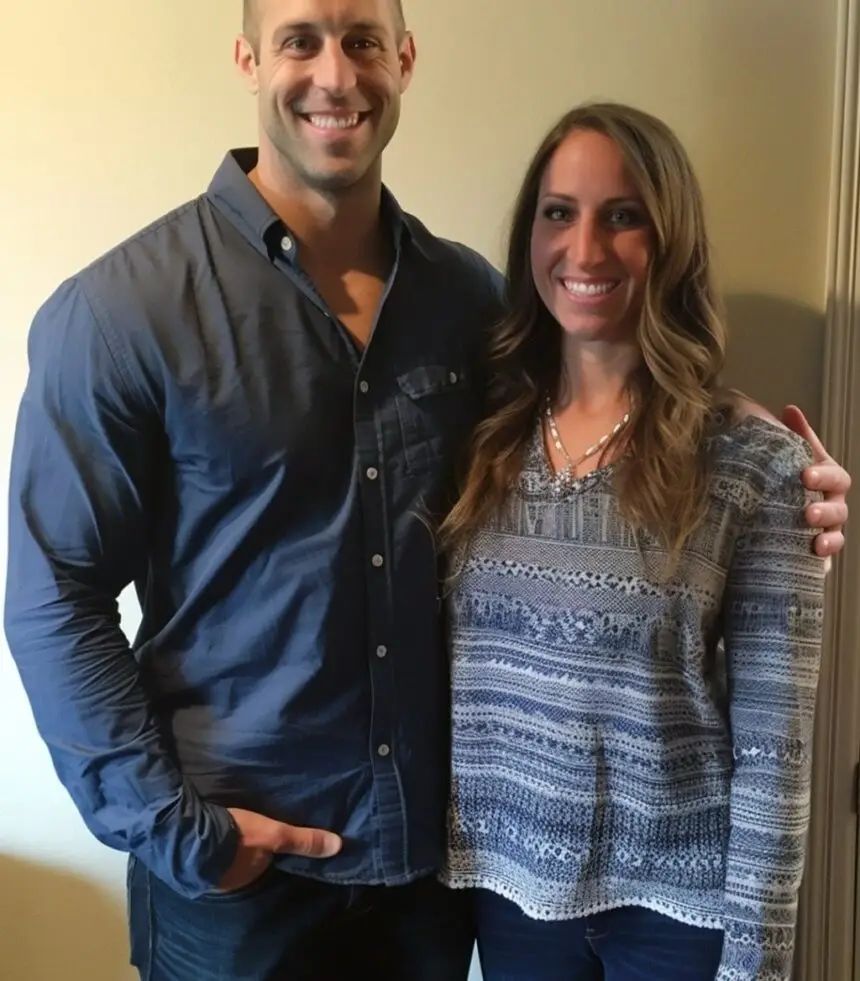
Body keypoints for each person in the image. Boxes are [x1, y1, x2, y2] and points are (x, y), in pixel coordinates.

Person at [2, 3, 847, 980]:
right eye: (299, 39)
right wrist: (174, 829)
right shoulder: (123, 313)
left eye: (363, 40)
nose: (335, 74)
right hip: (234, 884)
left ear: (403, 59)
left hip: (429, 885)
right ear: (246, 59)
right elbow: (54, 594)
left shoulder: (467, 302)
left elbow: (606, 393)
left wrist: (755, 455)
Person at [438, 102, 829, 981]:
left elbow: (776, 753)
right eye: (559, 212)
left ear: (672, 240)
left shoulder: (752, 463)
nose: (584, 249)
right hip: (510, 901)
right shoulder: (481, 438)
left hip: (678, 916)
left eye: (623, 216)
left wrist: (757, 966)